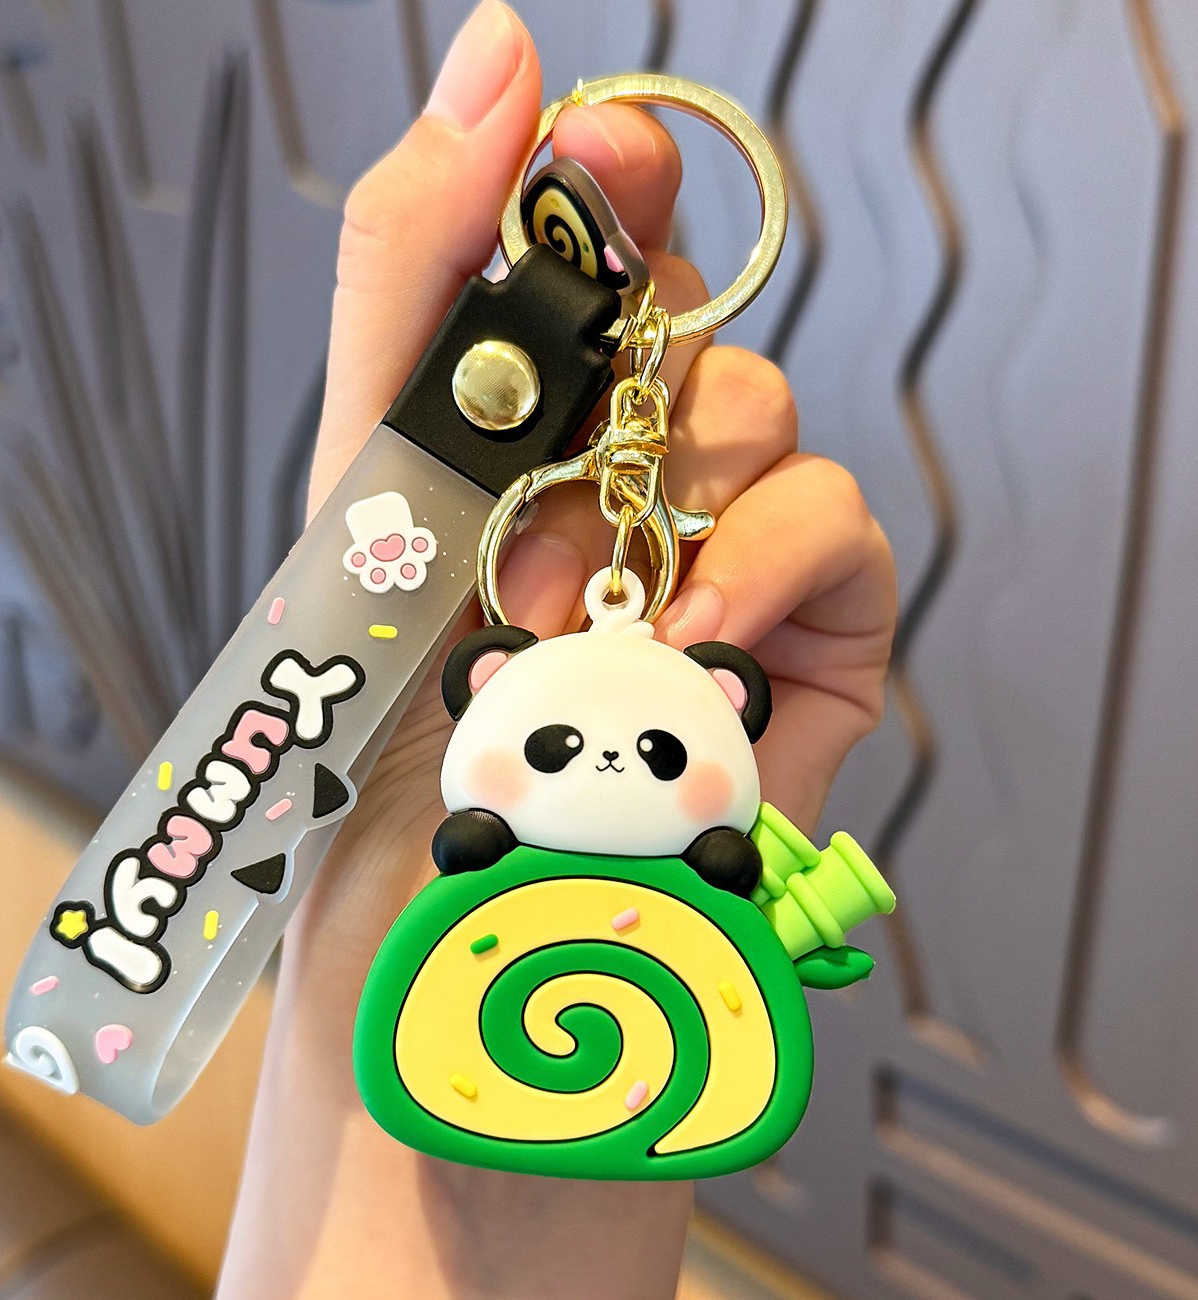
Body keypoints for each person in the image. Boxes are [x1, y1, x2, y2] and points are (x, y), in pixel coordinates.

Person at [217, 3, 896, 1295]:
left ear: (728, 695)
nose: (619, 764)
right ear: (484, 682)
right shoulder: (475, 859)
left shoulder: (697, 859)